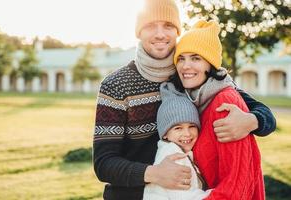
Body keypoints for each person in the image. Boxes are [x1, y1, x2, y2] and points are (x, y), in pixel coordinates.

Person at [93, 0, 275, 199]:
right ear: (139, 32)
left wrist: (253, 120)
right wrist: (155, 174)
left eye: (168, 26)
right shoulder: (116, 84)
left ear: (177, 31)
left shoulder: (189, 73)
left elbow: (259, 110)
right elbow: (104, 164)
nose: (160, 34)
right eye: (150, 26)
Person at [172, 19, 265, 199]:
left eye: (196, 58)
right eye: (181, 58)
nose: (185, 66)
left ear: (211, 64)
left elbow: (237, 187)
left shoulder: (224, 103)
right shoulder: (194, 99)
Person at [143, 82, 212, 200]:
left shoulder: (175, 149)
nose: (187, 133)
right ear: (165, 134)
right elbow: (183, 196)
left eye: (192, 126)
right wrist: (219, 192)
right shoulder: (173, 155)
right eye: (178, 128)